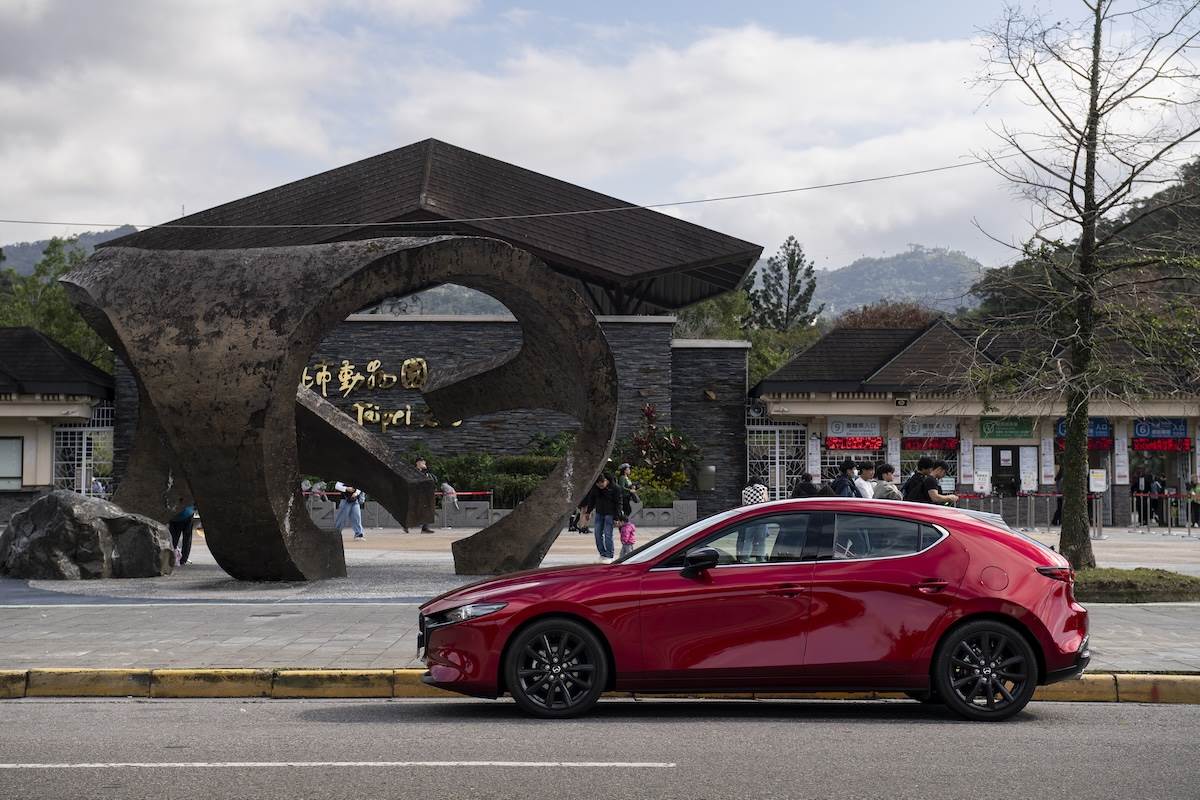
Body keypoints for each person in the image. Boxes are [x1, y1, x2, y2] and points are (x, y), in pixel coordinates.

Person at [580, 473, 622, 562]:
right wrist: (588, 512)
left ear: (605, 481)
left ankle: (609, 556)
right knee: (597, 534)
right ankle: (602, 554)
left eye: (602, 485)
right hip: (599, 513)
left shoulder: (615, 488)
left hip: (610, 514)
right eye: (598, 485)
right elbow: (591, 500)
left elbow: (618, 503)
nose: (600, 487)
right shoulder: (595, 488)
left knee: (608, 535)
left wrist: (616, 518)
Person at [168, 501, 195, 566]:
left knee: (173, 539)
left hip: (175, 516)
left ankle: (172, 558)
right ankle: (183, 560)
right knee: (187, 538)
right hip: (188, 513)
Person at [415, 458, 437, 533]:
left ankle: (425, 528)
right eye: (422, 463)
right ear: (417, 463)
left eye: (424, 463)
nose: (424, 464)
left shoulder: (425, 472)